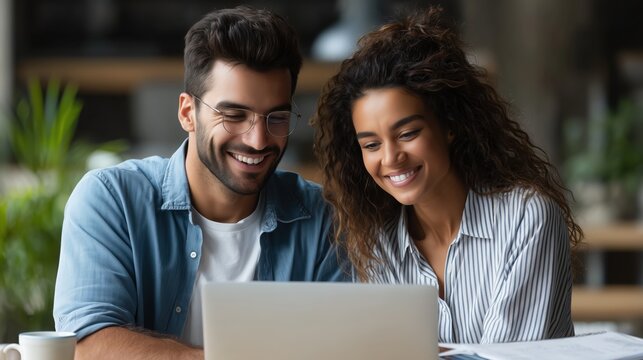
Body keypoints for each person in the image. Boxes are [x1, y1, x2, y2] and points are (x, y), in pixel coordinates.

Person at [54, 6, 347, 359]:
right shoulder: (112, 200)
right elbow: (89, 346)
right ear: (187, 113)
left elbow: (339, 347)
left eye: (277, 117)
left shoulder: (321, 219)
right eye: (234, 115)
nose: (257, 140)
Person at [312, 7, 582, 344]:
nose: (390, 158)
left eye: (408, 134)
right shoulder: (379, 242)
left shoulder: (526, 219)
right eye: (371, 144)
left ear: (449, 126)